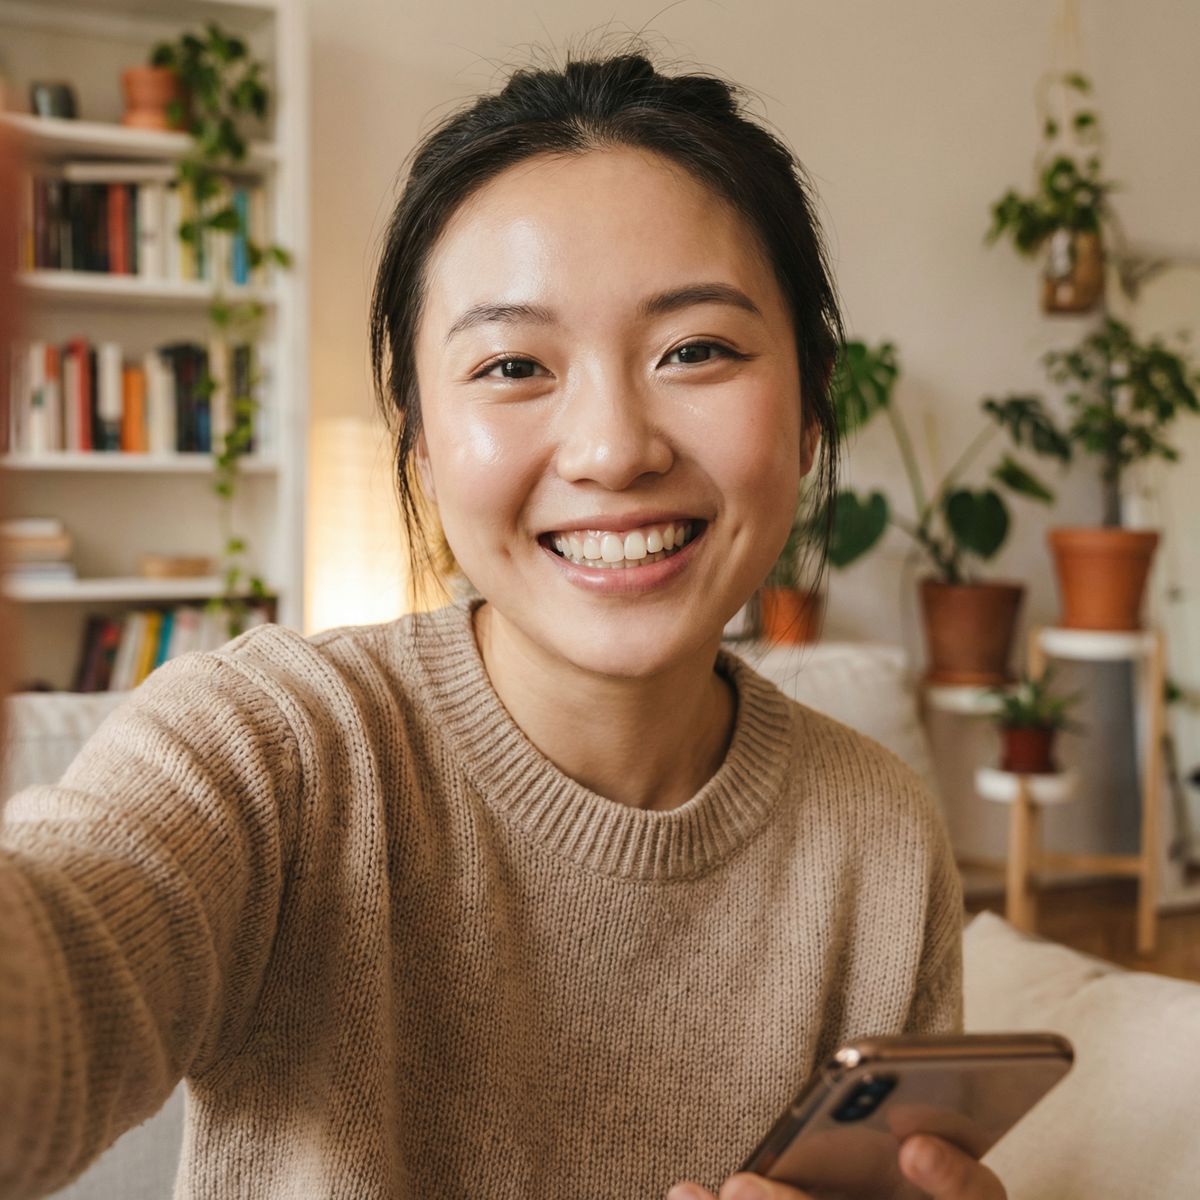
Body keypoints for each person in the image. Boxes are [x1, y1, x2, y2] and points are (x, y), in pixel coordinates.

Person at [0, 51, 1005, 1200]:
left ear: (813, 406)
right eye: (514, 364)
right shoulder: (276, 746)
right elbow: (65, 985)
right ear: (421, 439)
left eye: (698, 351)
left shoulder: (879, 834)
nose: (614, 448)